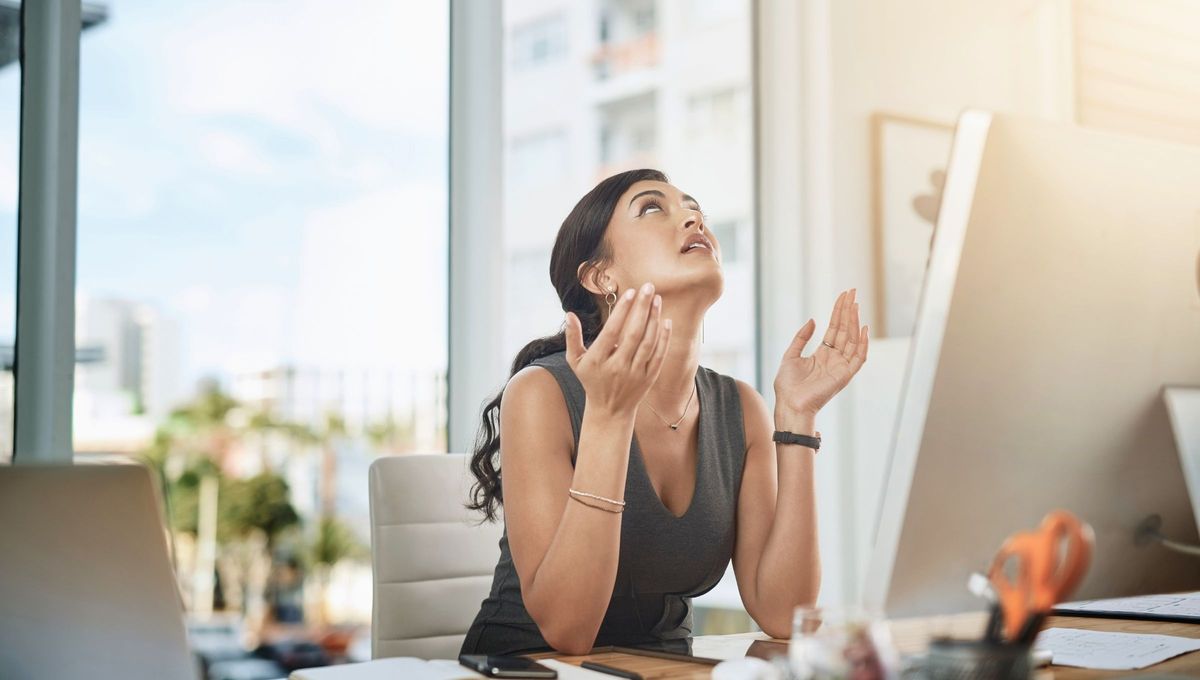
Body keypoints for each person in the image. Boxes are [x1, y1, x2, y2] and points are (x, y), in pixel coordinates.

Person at [461, 168, 869, 656]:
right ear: (601, 276)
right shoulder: (541, 393)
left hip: (664, 669)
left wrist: (798, 420)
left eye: (696, 209)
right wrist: (609, 418)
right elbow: (568, 632)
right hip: (528, 667)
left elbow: (783, 613)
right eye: (653, 208)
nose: (694, 220)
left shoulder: (740, 409)